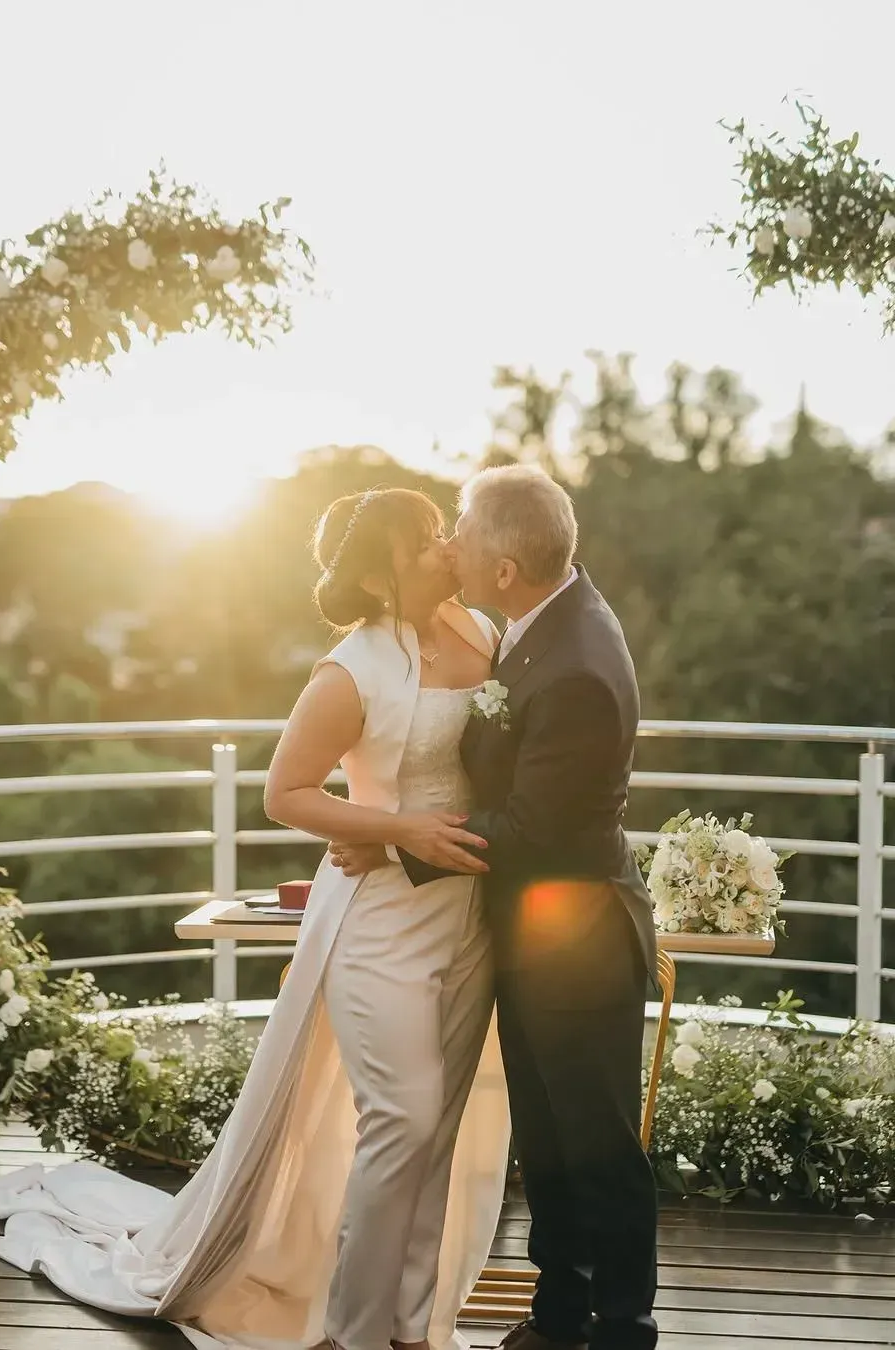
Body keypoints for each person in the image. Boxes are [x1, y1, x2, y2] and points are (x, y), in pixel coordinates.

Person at [0, 486, 511, 1350]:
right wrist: (394, 831)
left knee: (440, 1126)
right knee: (403, 1119)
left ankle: (415, 1327)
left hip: (472, 913)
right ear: (378, 576)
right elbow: (284, 793)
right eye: (425, 542)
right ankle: (354, 1332)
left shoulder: (483, 632)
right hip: (378, 919)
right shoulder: (351, 670)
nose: (447, 548)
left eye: (444, 533)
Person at [333, 466, 660, 1350]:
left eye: (464, 534)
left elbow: (532, 830)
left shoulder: (577, 664)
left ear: (505, 569)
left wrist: (391, 842)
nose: (451, 547)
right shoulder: (537, 621)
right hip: (533, 934)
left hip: (581, 944)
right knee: (548, 1142)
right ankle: (558, 1317)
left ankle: (624, 1329)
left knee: (598, 1148)